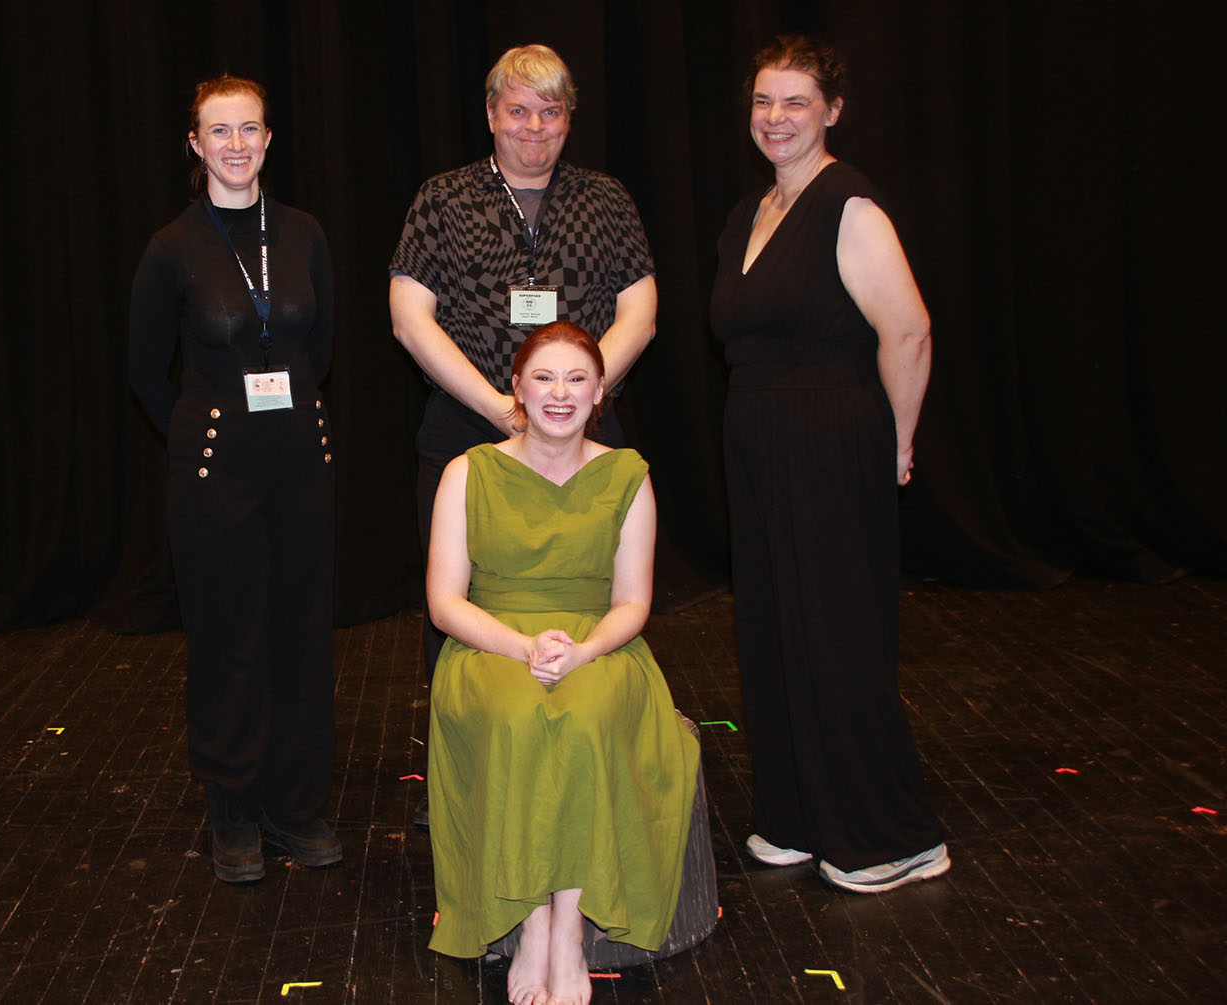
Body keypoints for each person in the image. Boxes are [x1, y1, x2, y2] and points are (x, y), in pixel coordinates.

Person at [709, 36, 947, 893]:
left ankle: (892, 836)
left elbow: (908, 332)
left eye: (796, 102)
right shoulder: (751, 210)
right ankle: (798, 815)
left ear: (833, 111)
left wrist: (896, 442)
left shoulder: (850, 206)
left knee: (836, 633)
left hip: (830, 440)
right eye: (763, 101)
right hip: (760, 441)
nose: (775, 118)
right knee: (776, 628)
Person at [425, 322, 699, 1005]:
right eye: (544, 377)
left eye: (577, 379)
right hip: (491, 639)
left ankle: (569, 926)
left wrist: (583, 652)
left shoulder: (627, 476)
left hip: (598, 641)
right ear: (517, 387)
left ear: (600, 391)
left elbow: (633, 602)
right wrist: (522, 648)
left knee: (584, 717)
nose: (560, 393)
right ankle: (532, 921)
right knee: (517, 714)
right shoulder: (467, 473)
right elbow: (444, 602)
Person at [390, 42, 658, 696]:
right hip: (466, 429)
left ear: (569, 118)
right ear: (490, 115)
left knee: (603, 597)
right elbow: (409, 319)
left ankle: (595, 723)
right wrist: (502, 408)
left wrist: (574, 401)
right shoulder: (443, 198)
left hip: (584, 437)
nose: (534, 126)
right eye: (518, 111)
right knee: (456, 605)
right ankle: (467, 738)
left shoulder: (606, 199)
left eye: (551, 111)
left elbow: (641, 314)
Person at [129, 75, 341, 882]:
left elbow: (320, 349)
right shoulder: (172, 247)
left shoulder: (303, 234)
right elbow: (145, 370)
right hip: (216, 470)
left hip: (301, 462)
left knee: (301, 633)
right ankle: (232, 808)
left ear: (268, 138)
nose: (236, 145)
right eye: (219, 131)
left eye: (249, 128)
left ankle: (296, 805)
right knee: (229, 638)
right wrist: (199, 429)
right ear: (195, 143)